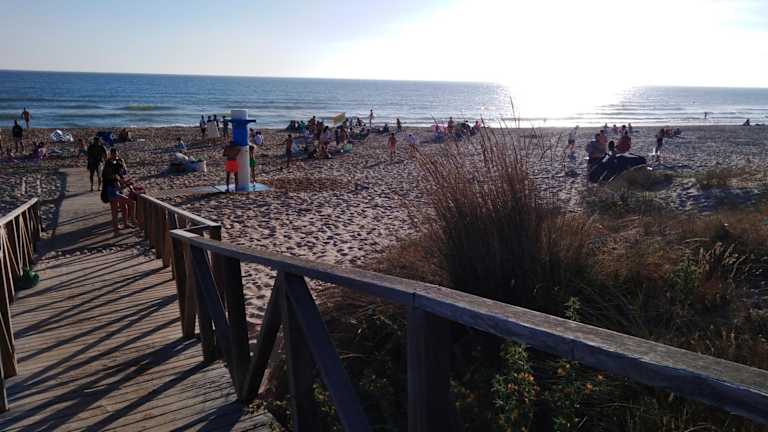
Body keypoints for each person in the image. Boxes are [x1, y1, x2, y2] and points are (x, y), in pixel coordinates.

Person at [101, 148, 135, 234]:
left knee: (124, 207)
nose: (115, 156)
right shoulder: (109, 164)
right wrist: (122, 180)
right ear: (111, 154)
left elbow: (124, 173)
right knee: (116, 209)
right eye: (114, 154)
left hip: (119, 188)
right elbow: (108, 177)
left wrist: (126, 183)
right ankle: (117, 229)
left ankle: (125, 224)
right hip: (112, 189)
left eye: (116, 154)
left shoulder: (119, 162)